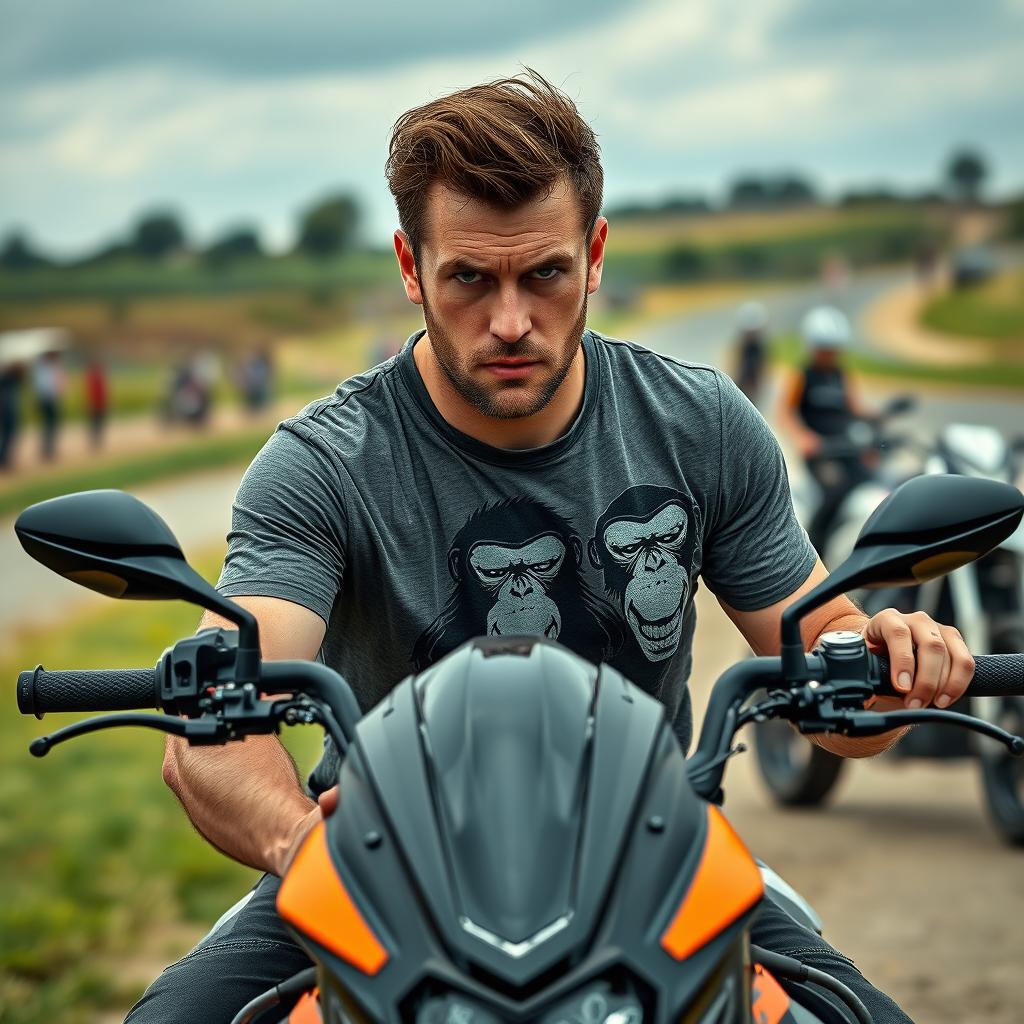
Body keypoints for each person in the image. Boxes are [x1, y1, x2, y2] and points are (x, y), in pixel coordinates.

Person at [132, 73, 973, 1024]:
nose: (510, 323)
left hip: (654, 872)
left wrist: (892, 661)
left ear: (595, 253)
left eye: (544, 273)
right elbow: (219, 718)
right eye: (468, 279)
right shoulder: (321, 466)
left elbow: (831, 668)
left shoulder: (699, 426)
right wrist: (308, 852)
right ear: (411, 267)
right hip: (368, 876)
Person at [776, 306, 876, 555]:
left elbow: (855, 409)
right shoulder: (803, 375)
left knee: (870, 480)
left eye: (834, 349)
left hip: (846, 447)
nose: (830, 355)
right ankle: (815, 551)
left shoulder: (842, 375)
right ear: (813, 347)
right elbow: (784, 413)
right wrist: (802, 438)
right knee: (835, 490)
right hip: (821, 453)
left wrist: (881, 417)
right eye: (825, 349)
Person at [731, 299, 769, 407]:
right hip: (741, 384)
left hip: (753, 385)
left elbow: (763, 367)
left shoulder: (761, 347)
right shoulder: (742, 346)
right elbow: (735, 365)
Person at [32, 349, 64, 461]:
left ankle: (49, 449)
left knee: (51, 425)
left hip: (50, 399)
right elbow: (44, 386)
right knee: (49, 425)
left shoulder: (49, 366)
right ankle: (47, 450)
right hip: (47, 400)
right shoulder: (43, 367)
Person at [84, 357, 109, 449]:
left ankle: (97, 441)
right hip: (94, 404)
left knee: (99, 423)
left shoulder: (99, 376)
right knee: (95, 423)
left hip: (101, 403)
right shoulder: (91, 376)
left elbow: (104, 391)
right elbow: (90, 392)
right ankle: (94, 441)